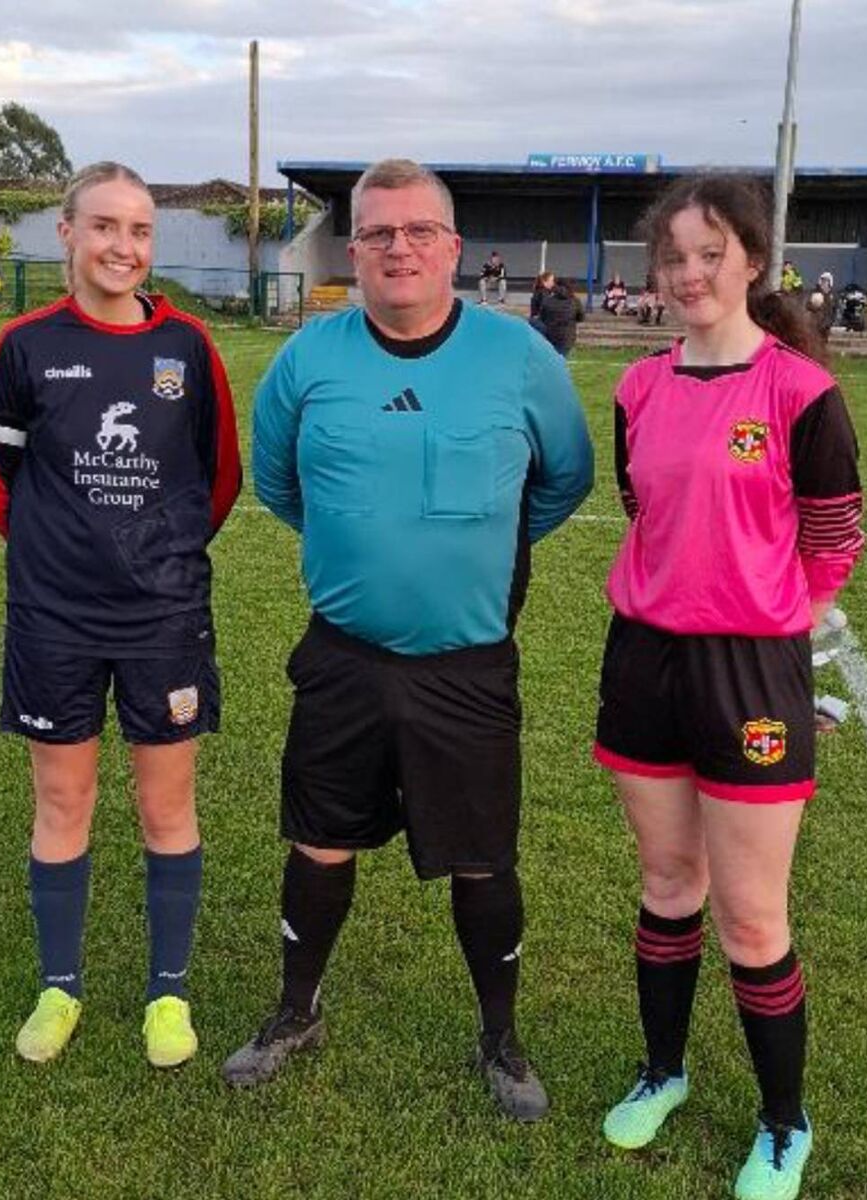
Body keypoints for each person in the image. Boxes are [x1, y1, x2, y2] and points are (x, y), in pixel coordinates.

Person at [222, 158, 593, 1121]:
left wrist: (477, 542)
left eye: (419, 230)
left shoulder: (521, 358)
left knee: (483, 858)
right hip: (342, 656)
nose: (400, 248)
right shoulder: (309, 357)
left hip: (467, 666)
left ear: (453, 247)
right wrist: (363, 544)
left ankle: (499, 1037)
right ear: (354, 250)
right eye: (379, 232)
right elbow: (279, 483)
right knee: (318, 841)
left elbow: (564, 480)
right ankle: (297, 1011)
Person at [593, 174, 862, 1200]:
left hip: (750, 669)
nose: (690, 273)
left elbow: (832, 537)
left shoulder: (802, 393)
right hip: (644, 659)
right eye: (674, 256)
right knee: (668, 886)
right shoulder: (639, 388)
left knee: (752, 917)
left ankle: (784, 1123)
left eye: (711, 253)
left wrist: (770, 616)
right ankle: (663, 1072)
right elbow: (642, 505)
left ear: (752, 259)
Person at [0, 161, 242, 1068]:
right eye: (104, 227)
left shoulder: (188, 348)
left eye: (139, 230)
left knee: (167, 803)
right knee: (62, 799)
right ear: (67, 232)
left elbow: (218, 476)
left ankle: (169, 994)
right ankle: (60, 987)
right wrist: (57, 555)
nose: (123, 247)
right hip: (53, 618)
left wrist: (157, 558)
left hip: (162, 616)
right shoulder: (23, 345)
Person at [536, 276, 585, 357]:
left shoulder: (548, 300)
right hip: (567, 337)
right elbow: (581, 318)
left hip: (550, 336)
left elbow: (542, 318)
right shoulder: (575, 301)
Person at [806, 271, 836, 342]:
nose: (824, 283)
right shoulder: (815, 293)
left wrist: (829, 322)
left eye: (826, 281)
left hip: (826, 324)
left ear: (830, 283)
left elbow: (834, 311)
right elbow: (808, 306)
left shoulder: (832, 296)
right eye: (823, 280)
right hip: (815, 324)